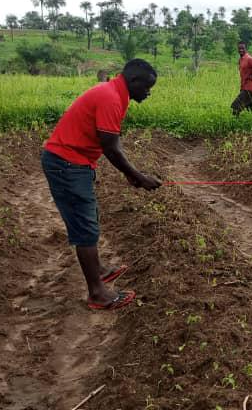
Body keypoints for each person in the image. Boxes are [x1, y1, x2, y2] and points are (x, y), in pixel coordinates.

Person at [42, 59, 162, 310]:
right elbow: (111, 147)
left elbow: (109, 144)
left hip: (75, 162)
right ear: (133, 81)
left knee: (89, 215)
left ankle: (98, 270)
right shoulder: (110, 98)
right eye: (147, 87)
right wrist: (138, 176)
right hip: (67, 164)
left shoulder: (114, 93)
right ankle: (97, 294)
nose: (149, 93)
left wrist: (132, 175)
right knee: (84, 227)